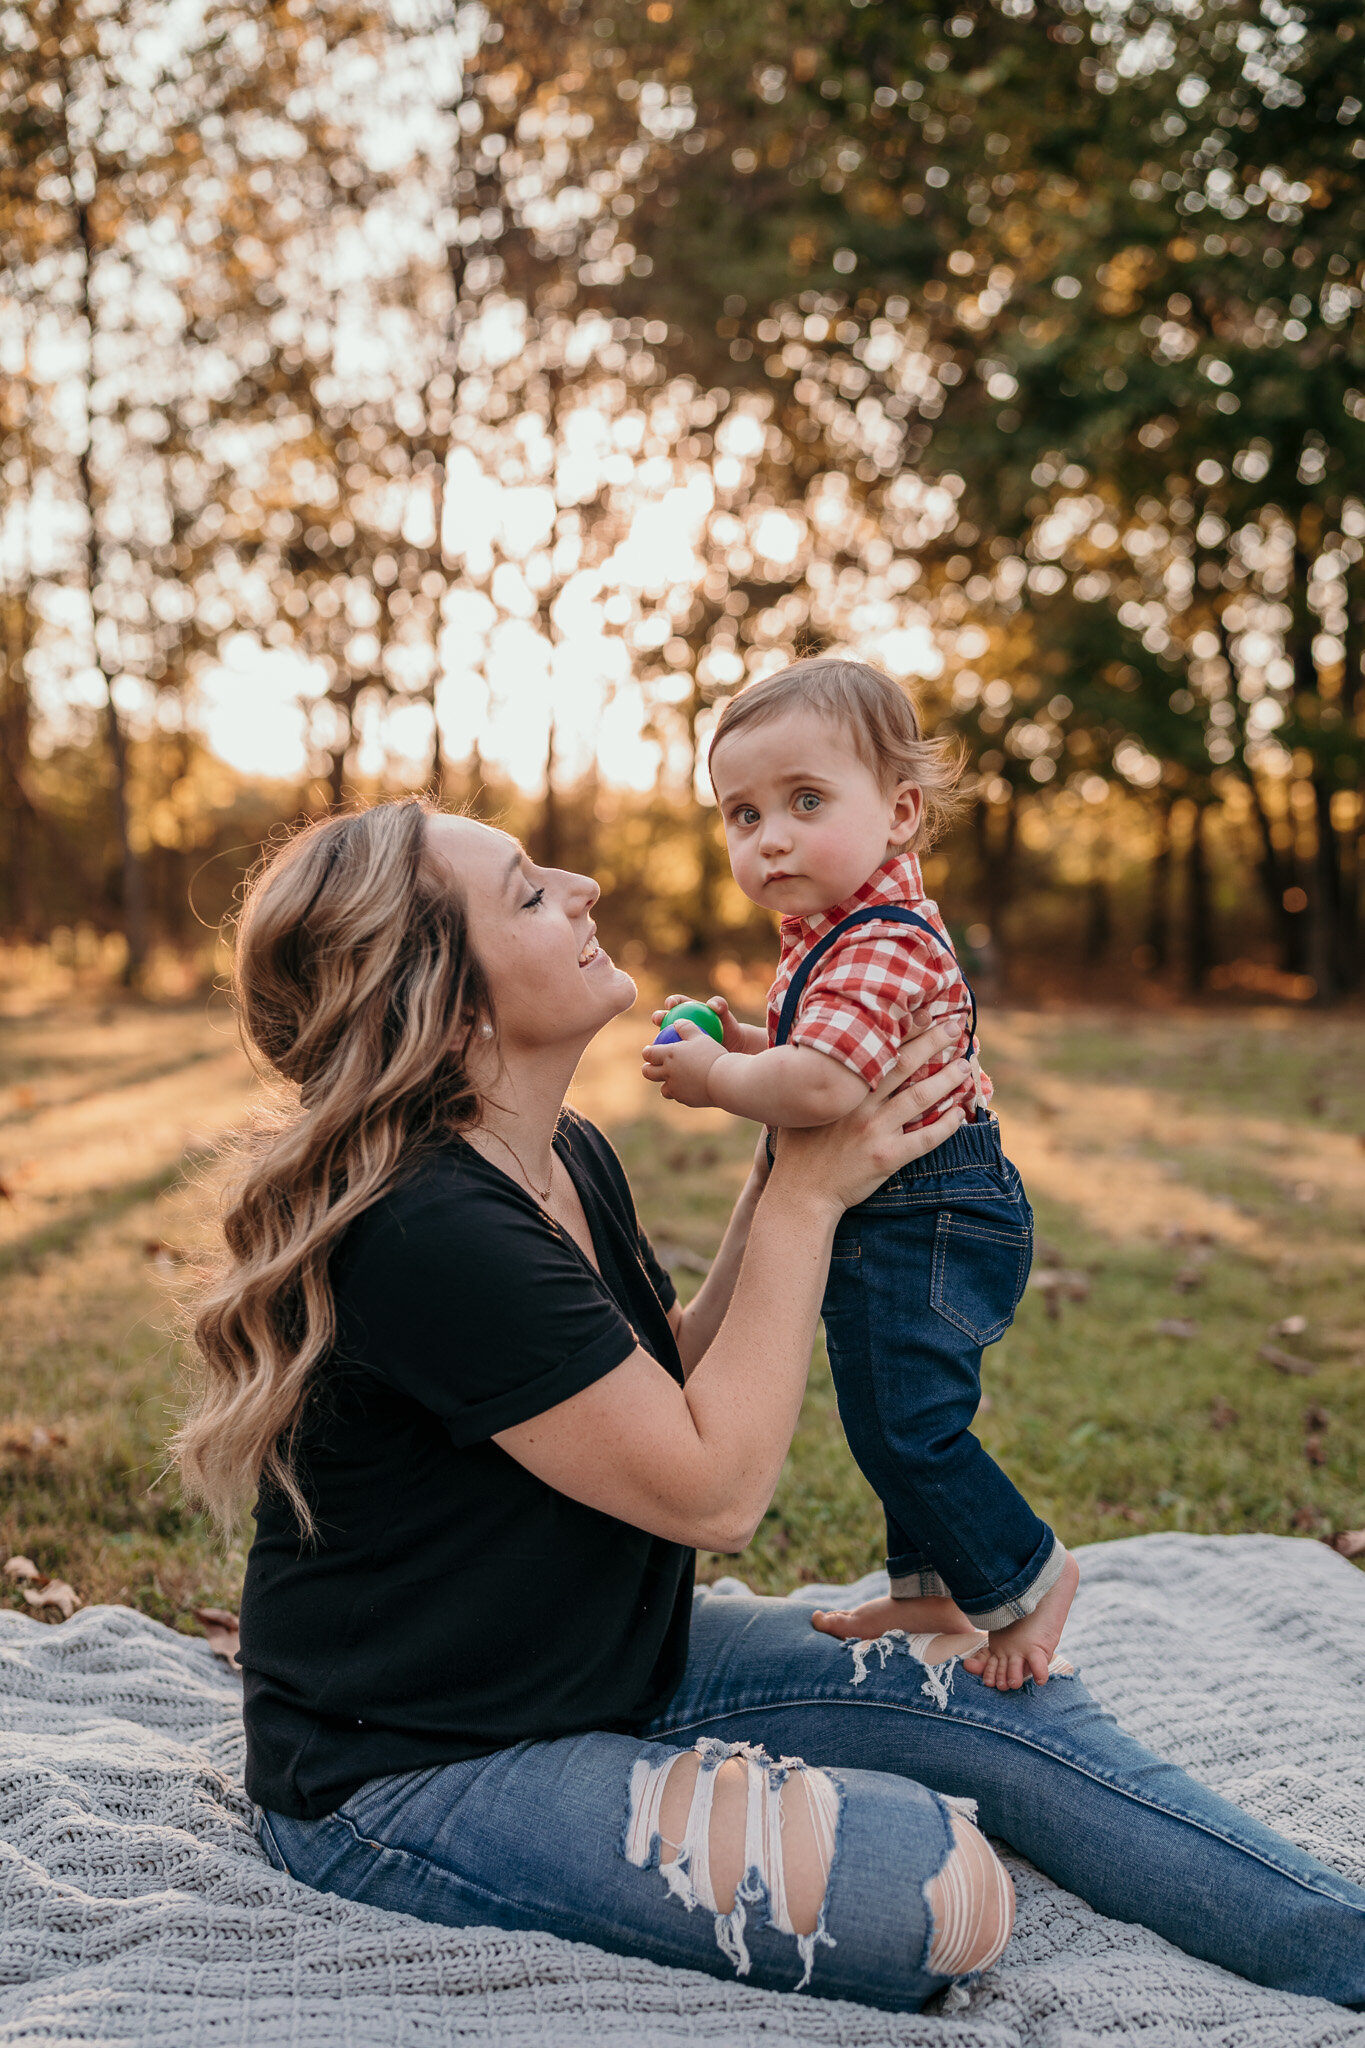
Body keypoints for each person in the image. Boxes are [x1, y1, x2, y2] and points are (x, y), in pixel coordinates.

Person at [175, 798, 1365, 2015]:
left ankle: (1343, 1940)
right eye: (530, 890)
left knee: (982, 1672)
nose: (583, 884)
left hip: (614, 1667)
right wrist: (807, 1196)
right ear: (449, 999)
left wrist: (786, 1152)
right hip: (416, 1768)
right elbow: (715, 1489)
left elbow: (664, 1386)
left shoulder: (560, 1151)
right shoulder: (426, 1226)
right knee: (939, 1888)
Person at [643, 658, 1073, 1689]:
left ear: (901, 812)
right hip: (905, 1209)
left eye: (804, 800)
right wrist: (752, 1040)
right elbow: (817, 1052)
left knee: (906, 1422)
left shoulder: (876, 941)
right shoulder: (832, 934)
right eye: (742, 815)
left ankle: (1028, 1573)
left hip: (933, 1214)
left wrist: (713, 1074)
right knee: (886, 1401)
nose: (771, 836)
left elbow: (827, 1085)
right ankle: (933, 1585)